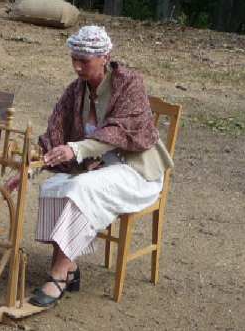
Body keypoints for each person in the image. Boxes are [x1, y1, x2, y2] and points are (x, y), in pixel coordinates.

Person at [27, 25, 173, 307]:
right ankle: (69, 267)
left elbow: (118, 131)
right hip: (100, 168)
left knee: (80, 188)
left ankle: (58, 274)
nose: (77, 67)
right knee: (54, 186)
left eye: (84, 61)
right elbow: (56, 129)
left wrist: (76, 149)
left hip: (136, 171)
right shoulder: (76, 90)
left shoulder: (130, 84)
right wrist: (38, 158)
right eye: (74, 59)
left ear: (105, 57)